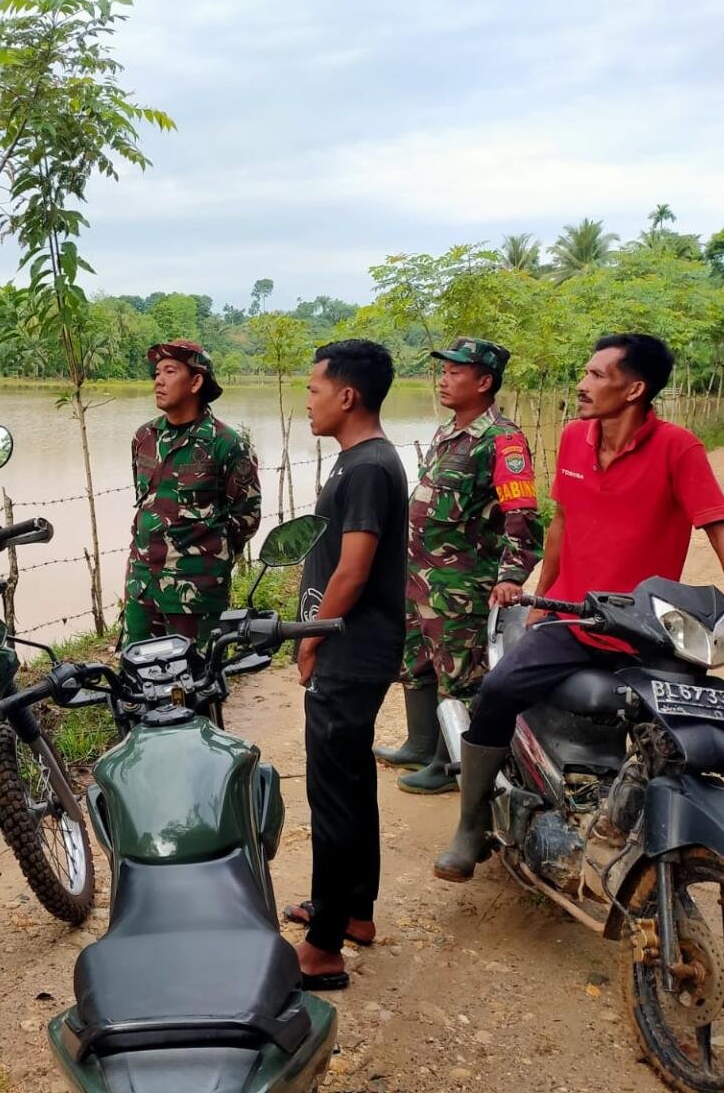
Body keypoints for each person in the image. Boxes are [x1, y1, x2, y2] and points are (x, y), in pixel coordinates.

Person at [435, 332, 724, 882]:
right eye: (587, 372)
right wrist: (543, 595)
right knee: (497, 690)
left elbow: (722, 530)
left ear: (634, 389)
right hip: (574, 617)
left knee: (674, 730)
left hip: (647, 627)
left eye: (597, 375)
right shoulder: (574, 438)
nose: (583, 384)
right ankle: (471, 823)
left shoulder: (678, 448)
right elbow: (563, 522)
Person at [281, 339, 408, 989]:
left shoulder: (367, 467)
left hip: (350, 648)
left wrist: (311, 639)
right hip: (360, 647)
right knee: (352, 782)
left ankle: (323, 947)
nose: (308, 401)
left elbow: (353, 572)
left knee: (332, 792)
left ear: (347, 395)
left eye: (314, 389)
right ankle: (354, 910)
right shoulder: (364, 461)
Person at [380, 338, 543, 794]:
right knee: (417, 663)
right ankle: (420, 743)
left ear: (484, 381)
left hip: (461, 584)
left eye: (455, 373)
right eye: (444, 371)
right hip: (421, 578)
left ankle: (450, 765)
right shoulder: (449, 431)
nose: (444, 380)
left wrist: (511, 576)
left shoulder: (503, 440)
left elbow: (522, 514)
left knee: (459, 676)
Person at [123, 339, 261, 649]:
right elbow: (146, 504)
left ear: (196, 382)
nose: (158, 380)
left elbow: (246, 519)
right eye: (157, 372)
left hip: (195, 593)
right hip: (142, 585)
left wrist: (206, 560)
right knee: (137, 669)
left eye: (170, 371)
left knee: (194, 674)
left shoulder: (227, 445)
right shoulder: (144, 438)